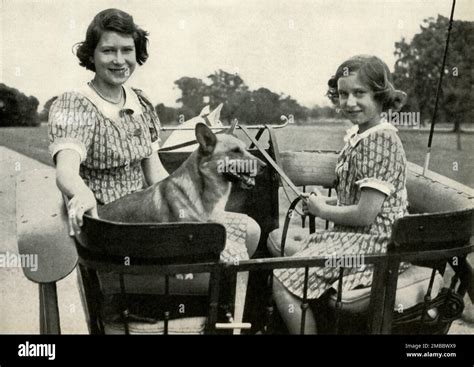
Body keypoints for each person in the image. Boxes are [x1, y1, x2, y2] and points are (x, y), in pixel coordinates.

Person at [49, 9, 260, 278]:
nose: (119, 60)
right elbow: (66, 170)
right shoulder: (75, 104)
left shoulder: (140, 103)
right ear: (91, 54)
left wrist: (193, 205)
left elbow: (156, 174)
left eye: (127, 50)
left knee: (249, 230)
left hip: (150, 215)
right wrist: (81, 193)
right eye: (108, 51)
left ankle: (217, 312)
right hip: (110, 225)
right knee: (214, 252)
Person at [268, 55, 410, 334]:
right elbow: (360, 200)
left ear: (380, 95)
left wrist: (322, 211)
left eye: (359, 93)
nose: (349, 102)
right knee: (290, 257)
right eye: (343, 94)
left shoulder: (380, 140)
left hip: (377, 245)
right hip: (357, 237)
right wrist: (327, 203)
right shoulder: (362, 135)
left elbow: (366, 214)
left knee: (282, 281)